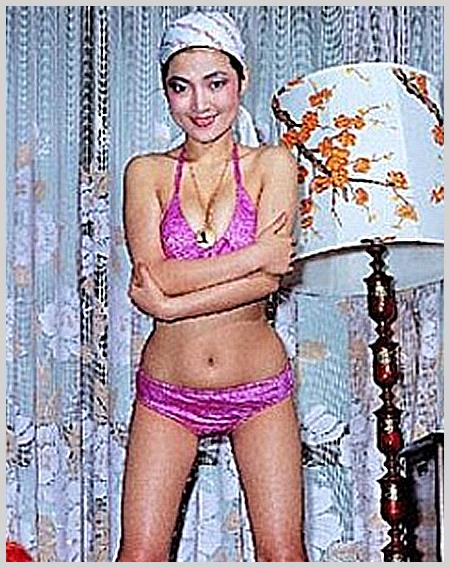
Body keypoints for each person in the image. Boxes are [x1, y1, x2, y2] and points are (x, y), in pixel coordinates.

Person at [116, 11, 308, 562]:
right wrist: (254, 256)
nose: (199, 103)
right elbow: (154, 273)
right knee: (139, 556)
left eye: (215, 83)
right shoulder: (146, 172)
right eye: (181, 87)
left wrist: (169, 304)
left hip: (259, 388)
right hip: (167, 392)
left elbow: (265, 283)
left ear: (241, 81)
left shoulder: (274, 164)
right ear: (166, 93)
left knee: (283, 554)